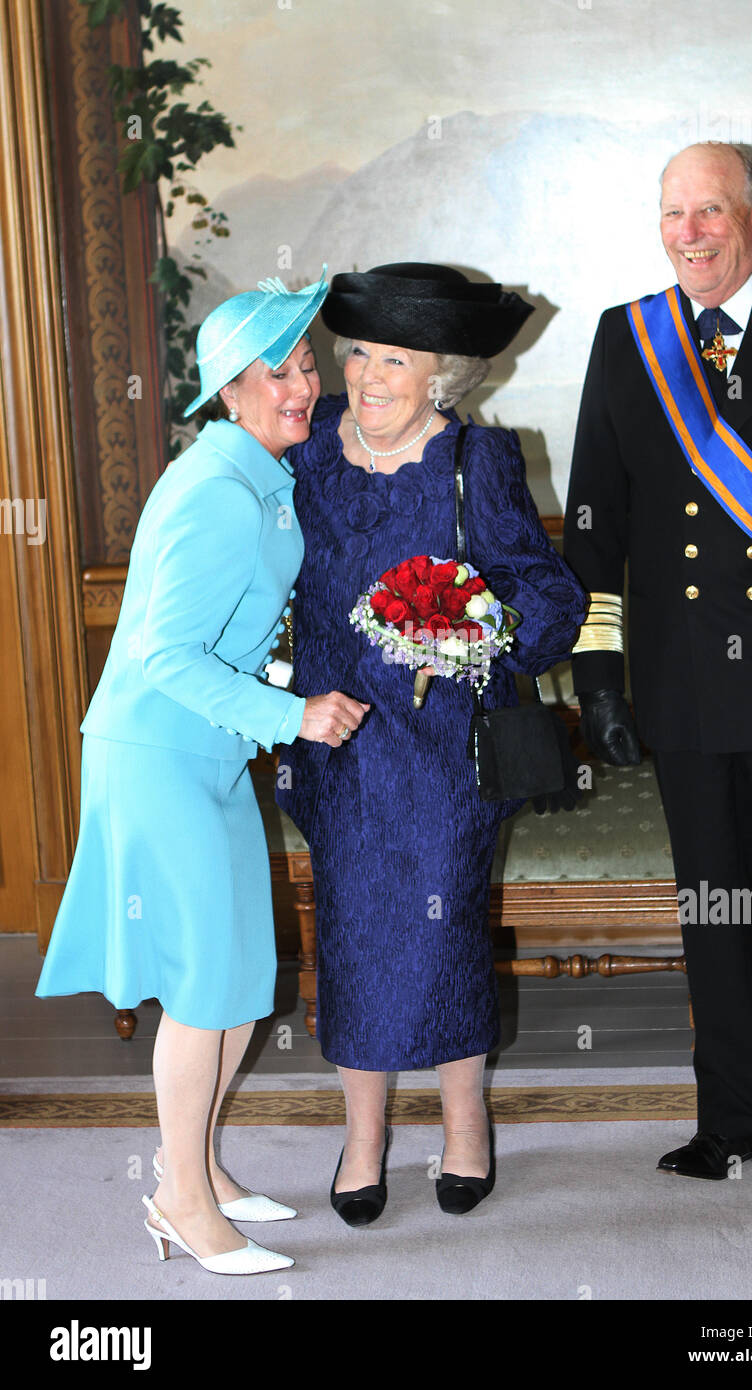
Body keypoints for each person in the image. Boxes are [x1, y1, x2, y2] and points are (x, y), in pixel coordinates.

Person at [36, 273, 369, 1273]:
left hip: (206, 755)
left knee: (234, 977)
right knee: (202, 987)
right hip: (159, 758)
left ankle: (202, 1166)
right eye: (276, 371)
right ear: (228, 389)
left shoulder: (257, 475)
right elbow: (162, 656)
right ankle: (180, 1198)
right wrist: (293, 715)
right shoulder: (218, 494)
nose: (301, 383)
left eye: (305, 361)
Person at [564, 141, 752, 1209]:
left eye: (708, 212)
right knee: (720, 910)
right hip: (687, 686)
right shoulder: (628, 339)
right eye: (672, 214)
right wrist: (597, 674)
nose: (688, 233)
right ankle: (736, 1121)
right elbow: (596, 520)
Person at [275, 263, 588, 1222]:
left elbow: (548, 595)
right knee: (356, 936)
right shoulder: (302, 454)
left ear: (441, 374)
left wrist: (475, 623)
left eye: (394, 359)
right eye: (358, 350)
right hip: (338, 739)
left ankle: (463, 1126)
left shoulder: (474, 462)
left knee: (444, 931)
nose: (367, 374)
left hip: (444, 744)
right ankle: (362, 1138)